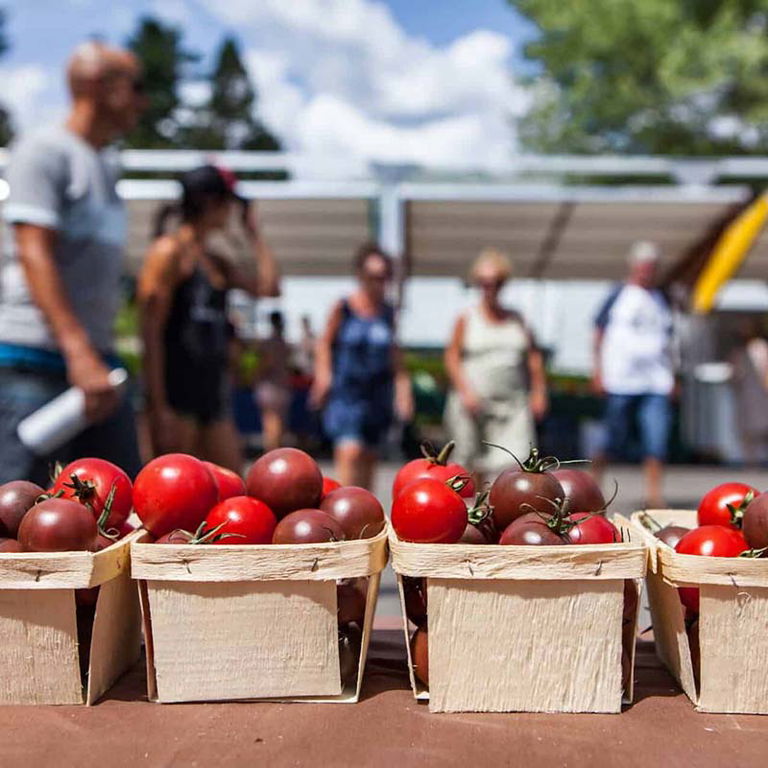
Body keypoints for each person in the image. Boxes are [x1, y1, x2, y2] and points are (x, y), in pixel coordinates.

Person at [0, 42, 146, 484]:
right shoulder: (44, 152)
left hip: (94, 367)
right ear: (102, 86)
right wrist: (78, 352)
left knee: (123, 502)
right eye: (137, 87)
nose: (143, 102)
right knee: (16, 505)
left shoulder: (102, 165)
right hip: (35, 363)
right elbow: (33, 251)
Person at [138, 165, 280, 471]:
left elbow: (269, 288)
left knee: (233, 483)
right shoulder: (169, 253)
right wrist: (158, 407)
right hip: (176, 395)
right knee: (176, 487)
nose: (232, 212)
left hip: (212, 395)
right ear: (211, 202)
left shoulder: (215, 261)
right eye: (229, 203)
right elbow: (150, 332)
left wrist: (253, 233)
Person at [311, 243, 413, 489]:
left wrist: (403, 391)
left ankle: (363, 508)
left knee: (368, 455)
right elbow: (324, 343)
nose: (378, 283)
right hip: (347, 393)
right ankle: (344, 504)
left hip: (377, 395)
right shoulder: (344, 308)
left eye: (383, 277)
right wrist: (323, 376)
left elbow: (394, 354)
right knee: (351, 452)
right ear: (360, 275)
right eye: (372, 276)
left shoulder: (387, 312)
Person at [444, 248, 548, 480]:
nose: (490, 288)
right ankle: (477, 504)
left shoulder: (518, 320)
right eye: (484, 282)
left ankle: (502, 502)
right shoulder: (466, 318)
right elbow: (451, 357)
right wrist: (465, 391)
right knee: (470, 465)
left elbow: (533, 356)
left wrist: (539, 391)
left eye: (496, 282)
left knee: (515, 463)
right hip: (473, 405)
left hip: (512, 407)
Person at [592, 241, 675, 508]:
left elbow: (670, 340)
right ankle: (592, 486)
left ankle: (654, 495)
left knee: (657, 437)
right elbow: (598, 333)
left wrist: (674, 375)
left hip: (656, 381)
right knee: (612, 437)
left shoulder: (663, 298)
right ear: (633, 266)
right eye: (643, 266)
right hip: (621, 380)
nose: (647, 271)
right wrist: (598, 370)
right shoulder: (618, 295)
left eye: (652, 267)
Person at [730, 319, 768, 465]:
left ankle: (754, 461)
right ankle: (752, 462)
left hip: (758, 396)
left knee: (759, 428)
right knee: (750, 430)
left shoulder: (760, 348)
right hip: (748, 397)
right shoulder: (741, 351)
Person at [255, 310, 291, 452]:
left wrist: (256, 374)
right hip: (283, 385)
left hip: (270, 386)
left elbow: (267, 363)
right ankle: (276, 449)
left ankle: (271, 451)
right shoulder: (284, 342)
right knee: (280, 420)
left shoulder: (269, 342)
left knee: (270, 420)